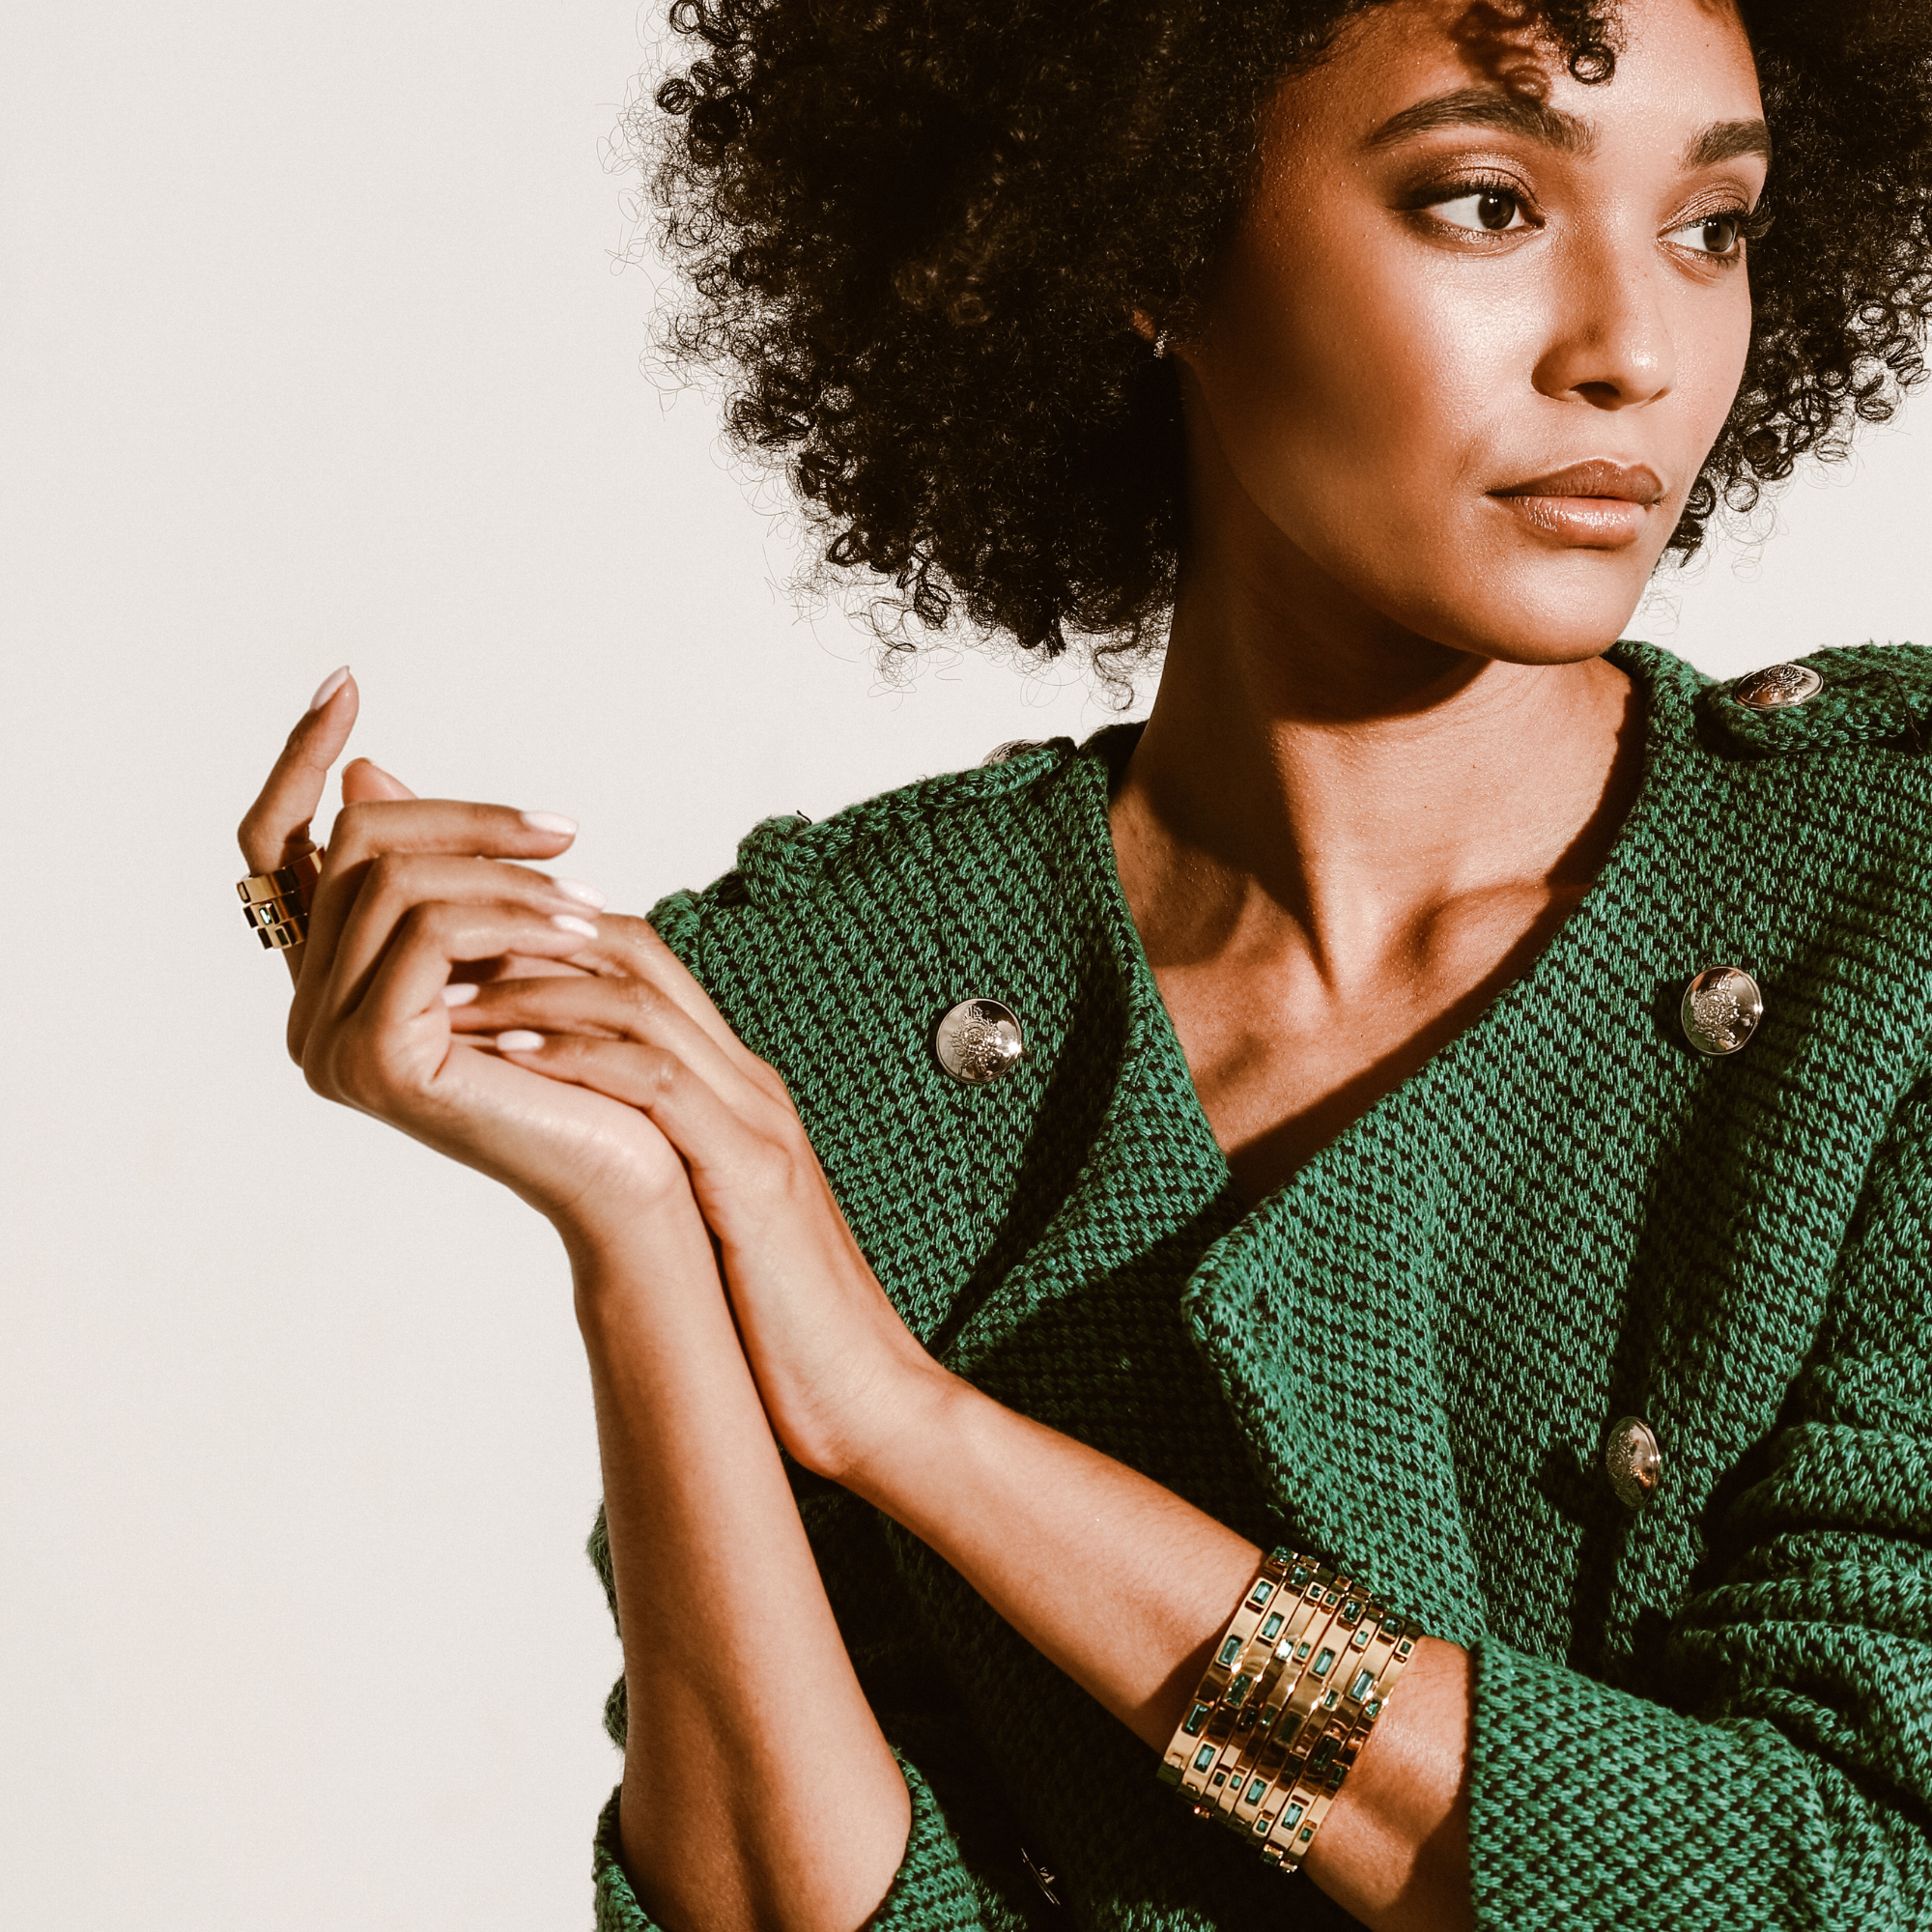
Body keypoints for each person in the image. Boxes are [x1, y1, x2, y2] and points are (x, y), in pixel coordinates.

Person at [234, 0, 1932, 1926]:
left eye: (1712, 227)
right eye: (1484, 202)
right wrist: (643, 1236)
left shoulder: (1889, 916)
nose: (1632, 349)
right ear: (1146, 232)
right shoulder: (809, 1025)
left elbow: (1846, 1874)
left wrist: (914, 1428)